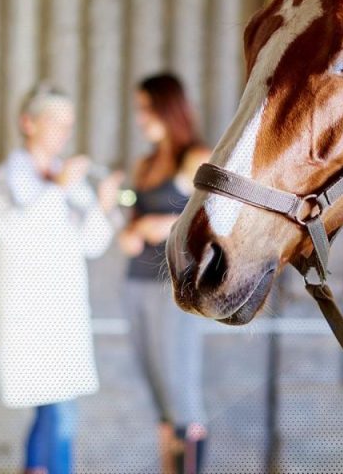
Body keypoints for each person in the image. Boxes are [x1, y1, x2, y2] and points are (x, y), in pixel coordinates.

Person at [0, 82, 123, 474]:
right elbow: (11, 230)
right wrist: (57, 190)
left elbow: (92, 244)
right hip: (29, 311)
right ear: (27, 123)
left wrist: (101, 205)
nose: (64, 133)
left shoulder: (69, 179)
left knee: (54, 408)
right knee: (59, 413)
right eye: (55, 123)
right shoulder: (6, 178)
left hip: (64, 312)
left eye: (69, 124)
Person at [118, 73, 212, 474]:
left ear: (168, 107)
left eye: (147, 107)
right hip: (135, 283)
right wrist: (128, 229)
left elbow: (216, 219)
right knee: (157, 393)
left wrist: (169, 224)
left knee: (181, 392)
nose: (141, 117)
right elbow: (132, 219)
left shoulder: (195, 157)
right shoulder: (144, 164)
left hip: (174, 287)